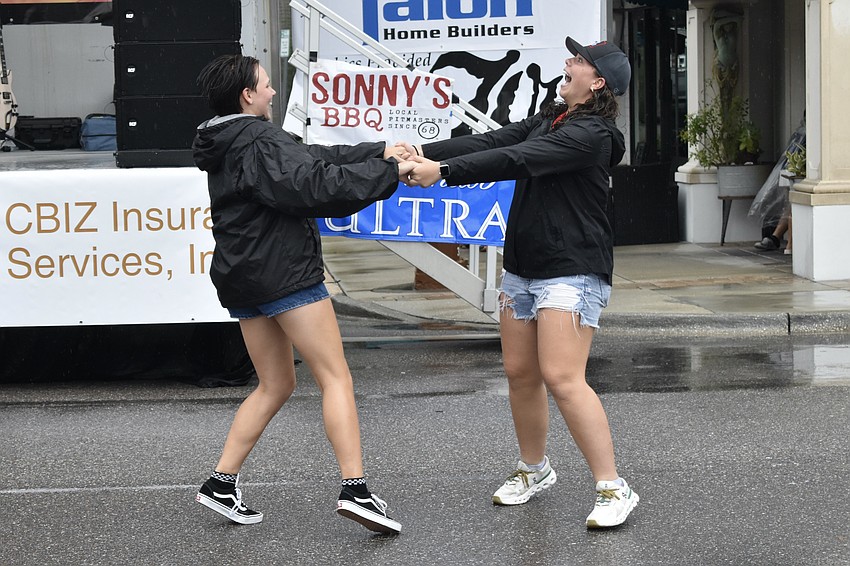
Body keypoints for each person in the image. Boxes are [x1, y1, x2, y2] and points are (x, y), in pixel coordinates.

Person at [399, 37, 638, 528]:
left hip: (572, 270)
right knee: (520, 374)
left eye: (578, 61)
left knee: (563, 379)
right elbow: (493, 142)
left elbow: (517, 161)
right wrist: (426, 150)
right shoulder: (553, 118)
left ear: (597, 83)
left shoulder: (592, 134)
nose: (566, 64)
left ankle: (614, 487)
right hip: (524, 267)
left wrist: (441, 171)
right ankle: (535, 469)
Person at [191, 54, 414, 534]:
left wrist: (379, 153)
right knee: (336, 379)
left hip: (242, 277)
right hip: (284, 273)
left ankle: (221, 483)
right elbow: (314, 184)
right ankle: (356, 489)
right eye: (267, 86)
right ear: (247, 95)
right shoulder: (258, 138)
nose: (273, 92)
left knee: (276, 385)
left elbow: (312, 158)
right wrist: (390, 174)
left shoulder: (225, 138)